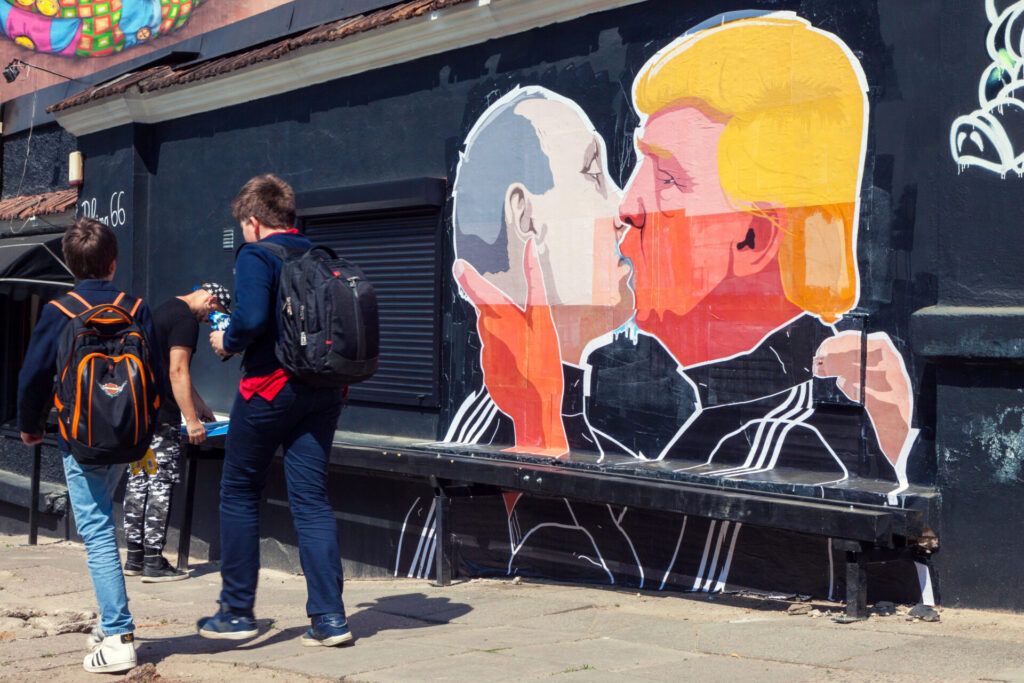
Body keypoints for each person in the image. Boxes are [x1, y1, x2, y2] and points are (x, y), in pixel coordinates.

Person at [200, 174, 350, 647]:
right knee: (311, 499)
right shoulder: (318, 255)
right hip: (324, 389)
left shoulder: (256, 255)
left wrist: (227, 341)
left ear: (253, 221)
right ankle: (330, 620)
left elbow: (252, 319)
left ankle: (237, 612)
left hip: (270, 388)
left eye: (243, 226)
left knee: (240, 490)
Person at [17, 217, 161, 674]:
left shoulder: (60, 311)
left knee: (97, 531)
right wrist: (146, 431)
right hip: (127, 437)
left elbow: (33, 375)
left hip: (79, 437)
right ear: (113, 263)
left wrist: (30, 425)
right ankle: (107, 621)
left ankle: (118, 634)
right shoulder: (136, 308)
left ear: (70, 264)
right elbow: (153, 373)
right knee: (105, 518)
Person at [122, 282, 231, 582]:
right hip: (162, 416)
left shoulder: (164, 309)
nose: (209, 321)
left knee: (139, 478)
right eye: (213, 315)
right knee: (160, 482)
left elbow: (172, 369)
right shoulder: (185, 320)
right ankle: (154, 561)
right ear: (210, 300)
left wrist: (199, 405)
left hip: (140, 412)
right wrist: (192, 421)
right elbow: (177, 372)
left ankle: (134, 557)